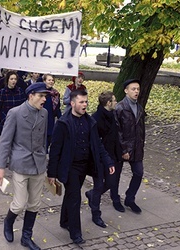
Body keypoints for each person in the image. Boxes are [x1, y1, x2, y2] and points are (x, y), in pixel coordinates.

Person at [47, 89, 115, 245]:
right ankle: (75, 233)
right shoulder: (63, 123)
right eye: (81, 102)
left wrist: (108, 162)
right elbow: (55, 150)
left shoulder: (90, 122)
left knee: (71, 195)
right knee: (75, 197)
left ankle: (64, 220)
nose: (84, 105)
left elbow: (97, 144)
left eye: (86, 102)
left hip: (85, 166)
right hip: (70, 167)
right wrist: (51, 173)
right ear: (72, 104)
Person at [0, 82, 50, 250]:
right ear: (31, 96)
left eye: (45, 96)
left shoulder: (45, 113)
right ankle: (8, 222)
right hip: (20, 163)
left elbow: (44, 139)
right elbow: (5, 142)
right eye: (41, 96)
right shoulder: (15, 113)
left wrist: (45, 158)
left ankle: (26, 237)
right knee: (19, 204)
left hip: (38, 165)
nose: (44, 99)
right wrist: (1, 167)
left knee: (34, 204)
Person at [85, 91, 123, 229]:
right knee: (99, 185)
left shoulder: (113, 115)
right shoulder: (96, 119)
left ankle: (91, 194)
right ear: (108, 103)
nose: (116, 102)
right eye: (114, 100)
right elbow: (95, 143)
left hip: (112, 156)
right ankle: (96, 214)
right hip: (99, 159)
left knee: (111, 182)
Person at [114, 79, 145, 214]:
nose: (136, 91)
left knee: (138, 173)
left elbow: (141, 127)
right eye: (133, 89)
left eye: (138, 89)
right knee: (115, 176)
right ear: (126, 91)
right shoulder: (120, 107)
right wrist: (124, 149)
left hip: (137, 147)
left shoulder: (139, 107)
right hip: (123, 148)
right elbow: (117, 131)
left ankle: (130, 199)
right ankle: (115, 199)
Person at [0, 71, 26, 153]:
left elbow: (24, 106)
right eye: (11, 79)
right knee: (6, 142)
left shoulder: (20, 91)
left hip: (18, 120)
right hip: (6, 120)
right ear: (7, 80)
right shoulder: (3, 92)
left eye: (15, 79)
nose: (13, 81)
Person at [42, 74, 61, 149]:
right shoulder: (41, 93)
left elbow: (57, 108)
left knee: (49, 139)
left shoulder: (55, 93)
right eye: (49, 80)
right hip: (41, 119)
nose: (51, 82)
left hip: (50, 120)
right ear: (44, 81)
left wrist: (61, 118)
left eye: (52, 80)